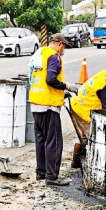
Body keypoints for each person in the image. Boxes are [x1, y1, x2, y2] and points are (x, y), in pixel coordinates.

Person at [28, 33, 77, 186]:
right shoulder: (54, 56)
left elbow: (40, 78)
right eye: (64, 46)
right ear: (59, 44)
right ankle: (52, 177)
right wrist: (67, 86)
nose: (63, 50)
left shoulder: (38, 54)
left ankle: (41, 172)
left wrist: (62, 91)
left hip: (36, 103)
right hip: (49, 105)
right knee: (54, 141)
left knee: (41, 139)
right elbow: (50, 79)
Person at [68, 65, 106, 148]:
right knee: (93, 137)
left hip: (82, 104)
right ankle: (86, 154)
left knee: (88, 137)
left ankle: (83, 152)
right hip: (83, 109)